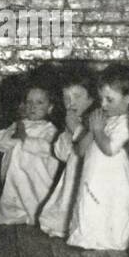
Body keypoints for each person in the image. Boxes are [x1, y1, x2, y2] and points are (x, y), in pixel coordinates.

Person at [68, 65, 129, 252]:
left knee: (111, 205)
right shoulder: (102, 119)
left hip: (113, 177)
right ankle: (88, 235)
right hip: (93, 173)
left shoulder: (127, 123)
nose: (103, 105)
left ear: (128, 98)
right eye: (101, 99)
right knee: (90, 202)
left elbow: (110, 148)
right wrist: (92, 130)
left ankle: (111, 237)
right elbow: (80, 150)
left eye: (109, 99)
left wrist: (98, 129)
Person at [38, 70, 94, 239]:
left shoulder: (95, 122)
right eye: (66, 98)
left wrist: (76, 130)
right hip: (72, 173)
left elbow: (90, 150)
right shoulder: (71, 121)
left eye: (77, 96)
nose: (71, 103)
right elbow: (62, 154)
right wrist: (68, 132)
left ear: (91, 99)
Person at [0, 81, 60, 225]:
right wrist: (14, 137)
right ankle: (14, 215)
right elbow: (0, 144)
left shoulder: (50, 129)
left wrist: (25, 139)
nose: (32, 106)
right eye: (29, 102)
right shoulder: (18, 124)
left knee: (34, 197)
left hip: (35, 175)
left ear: (49, 108)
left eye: (39, 103)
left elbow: (48, 148)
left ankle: (36, 216)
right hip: (13, 172)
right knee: (12, 196)